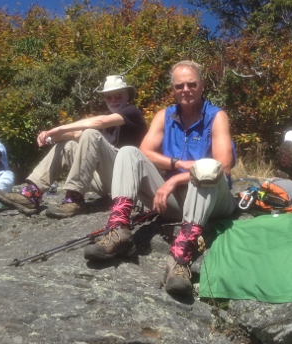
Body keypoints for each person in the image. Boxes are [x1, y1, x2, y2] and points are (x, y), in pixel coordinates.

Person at [83, 60, 235, 297]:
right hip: (176, 202)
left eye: (191, 84)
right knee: (128, 152)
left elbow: (222, 166)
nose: (185, 90)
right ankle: (119, 230)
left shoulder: (217, 116)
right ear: (172, 89)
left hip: (212, 200)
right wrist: (176, 164)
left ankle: (180, 260)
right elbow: (145, 151)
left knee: (206, 168)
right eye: (179, 86)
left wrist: (174, 180)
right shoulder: (165, 116)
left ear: (202, 85)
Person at [0, 75, 147, 218]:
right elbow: (75, 134)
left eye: (118, 96)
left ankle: (75, 198)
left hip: (127, 179)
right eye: (109, 97)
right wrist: (49, 136)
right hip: (107, 182)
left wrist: (61, 128)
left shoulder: (132, 112)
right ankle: (31, 194)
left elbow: (99, 123)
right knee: (69, 145)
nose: (113, 100)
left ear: (127, 96)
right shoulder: (106, 119)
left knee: (90, 133)